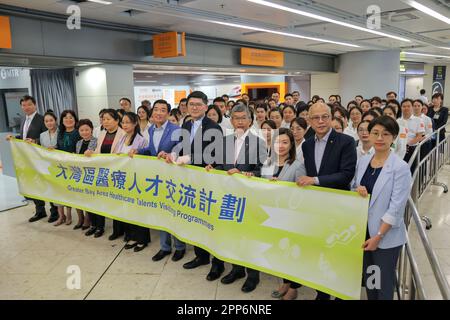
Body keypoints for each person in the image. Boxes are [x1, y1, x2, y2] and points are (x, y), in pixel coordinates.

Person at [296, 102, 357, 300]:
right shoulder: (307, 145)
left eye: (325, 117)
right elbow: (307, 173)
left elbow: (346, 175)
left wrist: (315, 180)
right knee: (320, 251)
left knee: (338, 253)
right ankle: (322, 292)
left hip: (339, 207)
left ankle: (340, 293)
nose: (321, 121)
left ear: (331, 117)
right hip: (316, 207)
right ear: (309, 121)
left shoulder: (346, 142)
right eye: (316, 118)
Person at [206, 103, 267, 293]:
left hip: (249, 199)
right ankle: (237, 269)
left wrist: (245, 172)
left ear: (250, 120)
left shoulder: (259, 142)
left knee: (250, 237)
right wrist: (212, 169)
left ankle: (253, 276)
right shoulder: (224, 141)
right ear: (231, 120)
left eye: (243, 118)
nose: (239, 121)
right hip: (229, 197)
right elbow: (223, 167)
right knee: (232, 235)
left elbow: (264, 170)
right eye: (236, 118)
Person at [163, 91, 224, 280]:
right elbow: (180, 146)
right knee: (195, 220)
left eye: (198, 104)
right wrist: (172, 155)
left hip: (207, 181)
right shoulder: (187, 124)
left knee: (210, 223)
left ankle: (217, 264)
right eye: (191, 104)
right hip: (189, 181)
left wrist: (189, 158)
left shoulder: (214, 127)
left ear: (206, 107)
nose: (194, 107)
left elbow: (215, 156)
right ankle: (201, 256)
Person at [352, 115, 411, 300]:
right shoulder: (363, 161)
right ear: (368, 135)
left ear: (393, 138)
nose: (379, 138)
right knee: (371, 279)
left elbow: (396, 208)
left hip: (385, 236)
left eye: (385, 134)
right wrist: (357, 189)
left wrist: (378, 236)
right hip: (365, 231)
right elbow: (354, 185)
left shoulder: (400, 167)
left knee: (384, 285)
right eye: (375, 133)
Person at [130, 99, 185, 261]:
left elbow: (181, 147)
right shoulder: (152, 130)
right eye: (156, 110)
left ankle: (180, 247)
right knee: (161, 212)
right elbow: (152, 149)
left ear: (168, 113)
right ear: (151, 113)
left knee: (174, 214)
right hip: (157, 178)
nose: (159, 113)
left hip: (173, 178)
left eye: (163, 110)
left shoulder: (176, 129)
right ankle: (165, 247)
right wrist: (138, 151)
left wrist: (170, 154)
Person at [263, 128, 305, 300]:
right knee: (280, 251)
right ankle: (285, 282)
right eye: (277, 142)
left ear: (291, 145)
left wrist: (281, 186)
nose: (280, 146)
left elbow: (301, 194)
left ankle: (293, 287)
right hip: (270, 215)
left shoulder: (297, 165)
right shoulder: (267, 162)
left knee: (291, 252)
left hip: (290, 217)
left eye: (285, 142)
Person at [6, 95, 49, 223]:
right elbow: (25, 136)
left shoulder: (42, 119)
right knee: (33, 183)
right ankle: (40, 210)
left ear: (35, 105)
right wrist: (14, 138)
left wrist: (35, 141)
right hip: (27, 158)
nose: (26, 107)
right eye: (23, 105)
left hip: (40, 157)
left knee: (48, 183)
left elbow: (47, 137)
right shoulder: (23, 120)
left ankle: (55, 212)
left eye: (29, 104)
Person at [108, 112, 149, 245]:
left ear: (135, 123)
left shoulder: (141, 140)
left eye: (127, 122)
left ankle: (141, 239)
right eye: (123, 122)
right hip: (122, 179)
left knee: (138, 210)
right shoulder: (122, 138)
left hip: (135, 180)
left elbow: (143, 161)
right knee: (127, 209)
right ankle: (130, 235)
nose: (124, 125)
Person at [85, 109, 126, 238]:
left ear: (117, 120)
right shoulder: (102, 134)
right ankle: (98, 226)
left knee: (116, 202)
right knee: (99, 199)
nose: (105, 121)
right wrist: (91, 153)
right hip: (102, 171)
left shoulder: (123, 134)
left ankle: (118, 230)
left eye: (108, 119)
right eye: (103, 119)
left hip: (117, 173)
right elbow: (98, 151)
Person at [54, 110, 81, 226]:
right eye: (65, 118)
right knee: (62, 192)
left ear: (75, 120)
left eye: (71, 117)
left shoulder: (78, 132)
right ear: (62, 120)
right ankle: (65, 216)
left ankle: (81, 218)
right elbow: (59, 147)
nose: (68, 120)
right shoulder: (60, 133)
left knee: (76, 194)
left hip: (75, 168)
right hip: (62, 168)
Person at [74, 119, 97, 230]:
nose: (84, 132)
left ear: (91, 129)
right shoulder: (78, 143)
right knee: (77, 196)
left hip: (90, 173)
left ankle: (88, 219)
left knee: (88, 197)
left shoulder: (96, 141)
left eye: (87, 129)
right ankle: (80, 218)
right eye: (81, 130)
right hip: (79, 173)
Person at [38, 111, 60, 223]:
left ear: (55, 120)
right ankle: (54, 211)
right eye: (46, 121)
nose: (49, 123)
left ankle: (64, 214)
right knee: (51, 189)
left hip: (61, 166)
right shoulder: (42, 135)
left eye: (51, 120)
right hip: (48, 166)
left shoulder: (61, 132)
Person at [397, 99, 424, 164]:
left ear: (412, 107)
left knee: (411, 168)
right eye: (404, 106)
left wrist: (407, 145)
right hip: (399, 148)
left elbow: (419, 136)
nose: (406, 108)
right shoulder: (397, 121)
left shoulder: (418, 120)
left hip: (412, 148)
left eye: (408, 106)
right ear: (401, 108)